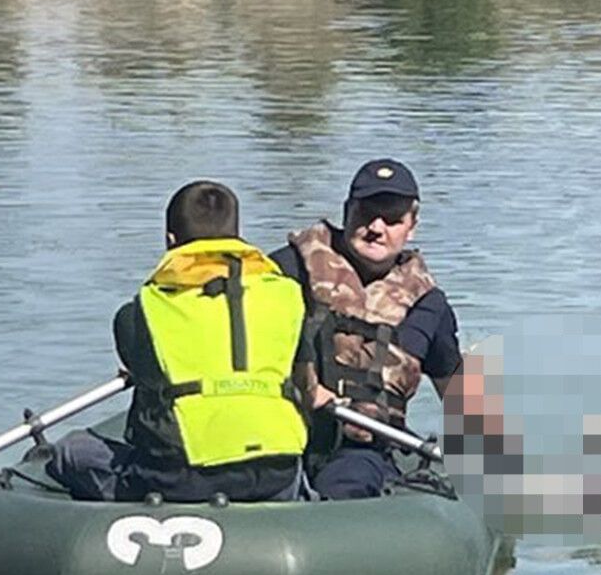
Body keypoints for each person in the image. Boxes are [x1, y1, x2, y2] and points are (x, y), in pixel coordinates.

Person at [45, 181, 318, 503]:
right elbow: (306, 383)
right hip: (276, 474)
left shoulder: (140, 311)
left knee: (71, 451)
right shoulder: (288, 297)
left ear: (170, 240)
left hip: (182, 478)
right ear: (237, 236)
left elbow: (143, 372)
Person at [271, 159, 463, 499]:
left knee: (351, 482)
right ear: (347, 212)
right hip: (281, 436)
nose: (376, 227)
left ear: (411, 226)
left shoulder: (428, 305)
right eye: (366, 214)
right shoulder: (286, 271)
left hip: (362, 451)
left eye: (392, 219)